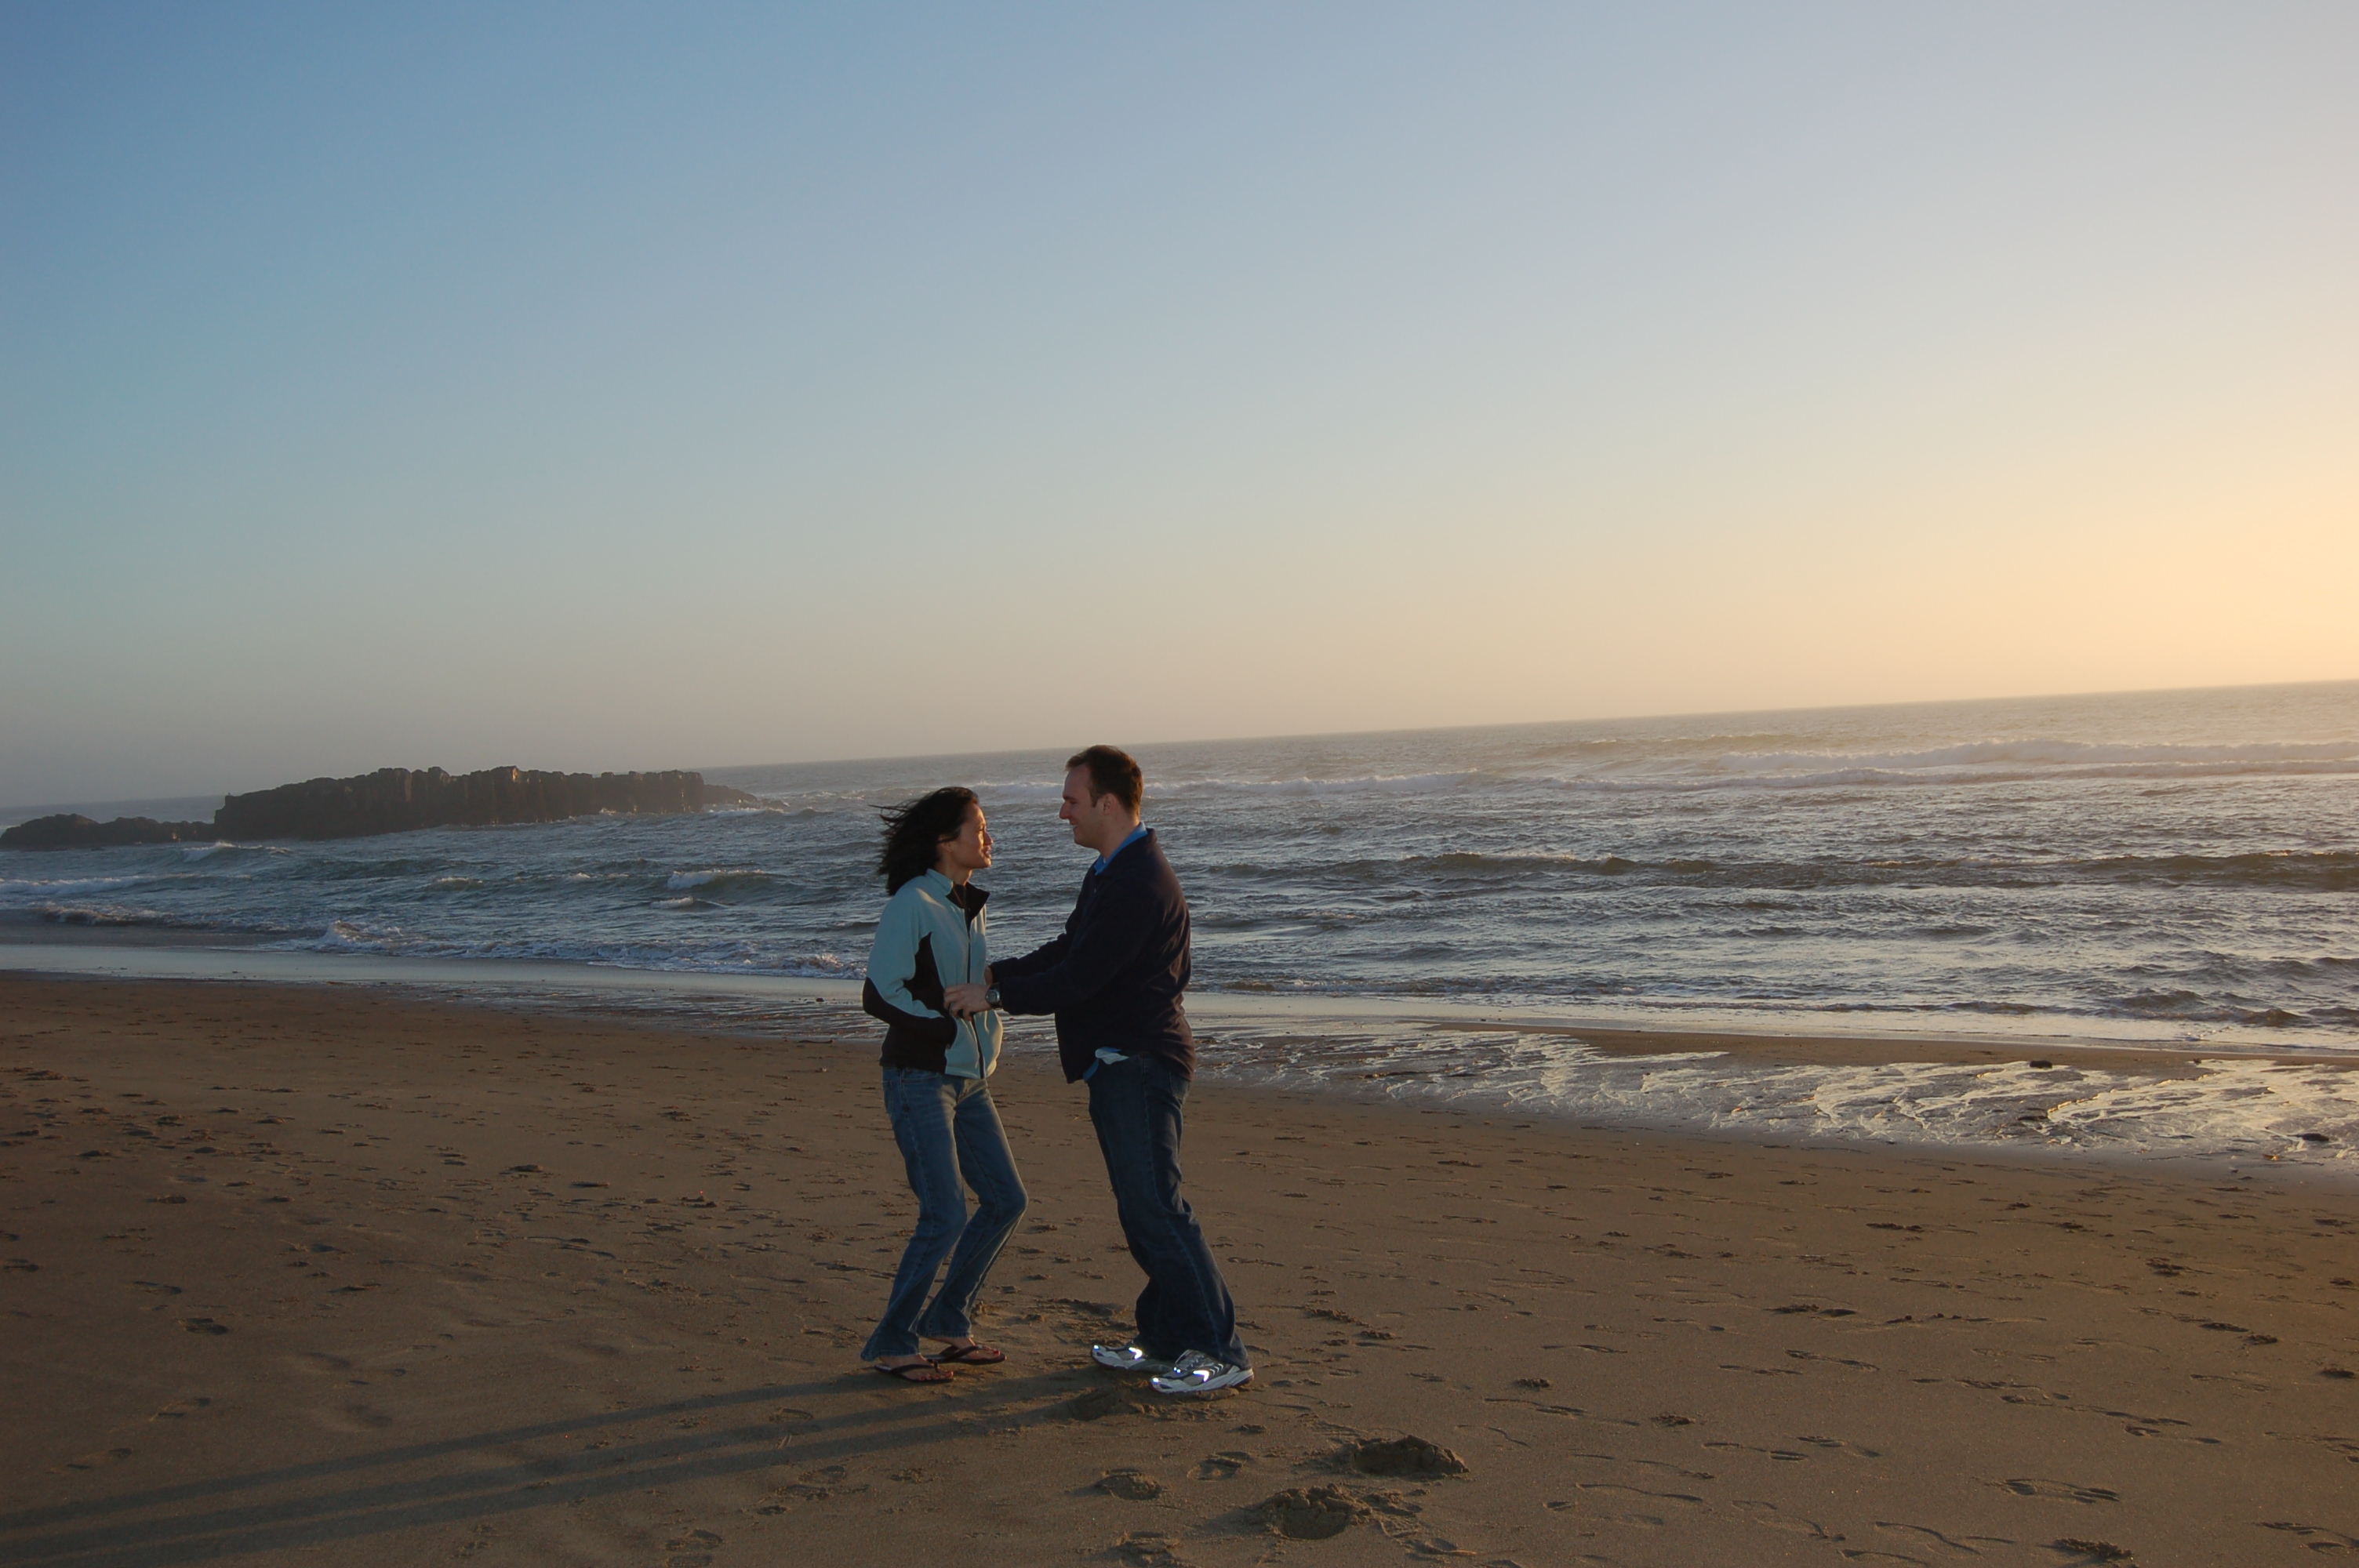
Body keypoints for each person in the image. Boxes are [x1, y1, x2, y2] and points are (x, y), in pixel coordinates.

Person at [945, 746, 1250, 1395]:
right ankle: (1163, 1340)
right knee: (1142, 1211)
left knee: (1158, 1210)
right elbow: (1069, 949)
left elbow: (1081, 978)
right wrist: (997, 972)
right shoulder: (1112, 871)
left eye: (1072, 800)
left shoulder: (1139, 882)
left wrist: (993, 996)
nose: (1064, 813)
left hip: (1142, 1062)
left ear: (1108, 804)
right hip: (1118, 1062)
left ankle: (1220, 1351)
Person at [857, 786, 1027, 1383]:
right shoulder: (915, 902)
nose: (989, 838)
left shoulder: (966, 904)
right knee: (945, 1214)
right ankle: (894, 1343)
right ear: (944, 841)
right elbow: (879, 992)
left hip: (971, 1080)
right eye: (978, 828)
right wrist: (939, 1029)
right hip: (919, 1078)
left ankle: (950, 1321)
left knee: (1006, 1200)